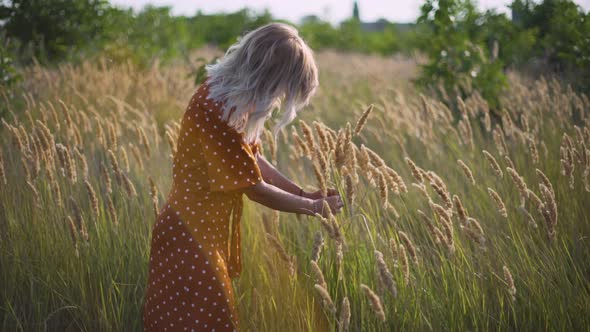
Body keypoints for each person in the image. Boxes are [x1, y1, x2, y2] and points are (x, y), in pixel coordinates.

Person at [142, 22, 343, 332]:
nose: (280, 97)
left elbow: (253, 159)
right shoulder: (218, 108)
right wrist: (313, 209)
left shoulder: (227, 99)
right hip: (190, 238)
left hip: (202, 233)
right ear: (269, 75)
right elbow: (253, 187)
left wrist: (304, 194)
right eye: (282, 87)